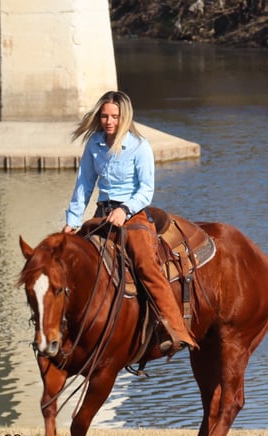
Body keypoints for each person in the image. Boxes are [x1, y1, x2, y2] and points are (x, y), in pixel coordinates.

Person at [62, 90, 198, 354]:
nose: (109, 121)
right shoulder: (94, 144)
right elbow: (85, 184)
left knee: (146, 264)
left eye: (114, 116)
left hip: (132, 214)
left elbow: (146, 190)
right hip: (102, 213)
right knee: (69, 259)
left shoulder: (139, 146)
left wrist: (125, 210)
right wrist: (72, 220)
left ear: (124, 117)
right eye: (104, 116)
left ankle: (173, 328)